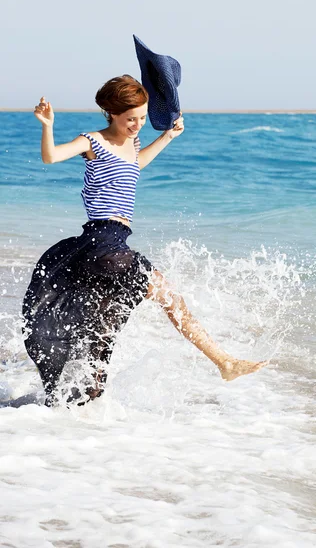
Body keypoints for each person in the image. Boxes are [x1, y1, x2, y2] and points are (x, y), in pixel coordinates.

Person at [23, 75, 266, 407]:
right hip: (104, 245)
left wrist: (167, 136)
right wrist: (47, 125)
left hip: (106, 248)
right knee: (171, 299)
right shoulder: (92, 140)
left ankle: (76, 407)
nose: (137, 124)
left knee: (100, 333)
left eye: (141, 117)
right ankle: (224, 362)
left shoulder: (131, 144)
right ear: (111, 112)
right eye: (130, 119)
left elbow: (134, 165)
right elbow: (50, 157)